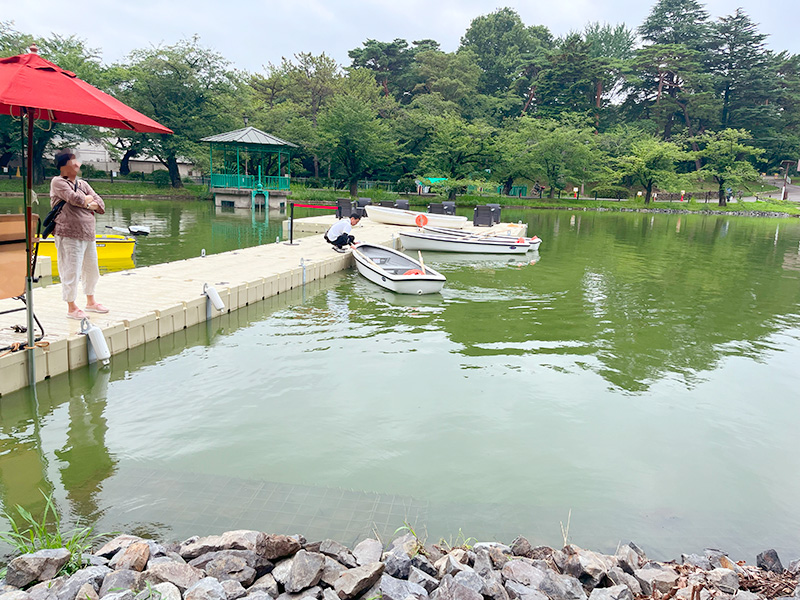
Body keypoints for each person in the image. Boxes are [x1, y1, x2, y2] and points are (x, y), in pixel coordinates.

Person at [50, 150, 108, 320]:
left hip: (88, 233)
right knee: (71, 269)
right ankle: (71, 307)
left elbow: (101, 204)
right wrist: (88, 201)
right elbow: (76, 199)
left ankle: (90, 301)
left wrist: (89, 202)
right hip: (68, 232)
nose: (77, 164)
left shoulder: (83, 184)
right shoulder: (58, 182)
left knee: (91, 269)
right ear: (63, 165)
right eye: (72, 161)